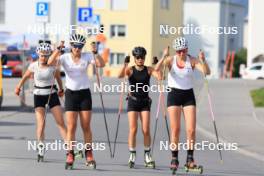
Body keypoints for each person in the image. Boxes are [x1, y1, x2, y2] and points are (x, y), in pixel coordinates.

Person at [47, 34, 105, 169]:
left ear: (82, 47)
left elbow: (101, 64)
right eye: (74, 46)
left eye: (79, 46)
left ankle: (89, 154)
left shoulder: (87, 56)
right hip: (71, 94)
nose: (77, 49)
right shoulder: (64, 57)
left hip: (84, 94)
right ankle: (70, 153)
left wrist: (96, 52)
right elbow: (50, 62)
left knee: (86, 126)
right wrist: (58, 49)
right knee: (72, 126)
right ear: (70, 46)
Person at [155, 37, 210, 171]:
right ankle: (174, 158)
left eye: (183, 51)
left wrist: (203, 60)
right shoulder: (170, 60)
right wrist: (163, 57)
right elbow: (157, 69)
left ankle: (190, 159)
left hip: (188, 95)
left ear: (187, 49)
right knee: (176, 129)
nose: (181, 54)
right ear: (176, 51)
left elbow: (207, 72)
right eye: (179, 51)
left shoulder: (192, 60)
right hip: (174, 95)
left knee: (191, 130)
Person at [15, 42, 66, 161]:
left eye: (46, 55)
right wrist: (18, 87)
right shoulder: (34, 65)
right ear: (38, 54)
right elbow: (25, 76)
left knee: (60, 122)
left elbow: (58, 78)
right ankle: (41, 147)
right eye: (42, 55)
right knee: (41, 124)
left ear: (49, 55)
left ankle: (70, 149)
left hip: (52, 94)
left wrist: (61, 89)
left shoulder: (54, 66)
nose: (44, 57)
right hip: (38, 95)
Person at [118, 46, 161, 169]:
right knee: (133, 129)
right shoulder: (130, 70)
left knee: (146, 129)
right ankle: (132, 155)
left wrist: (158, 64)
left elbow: (160, 77)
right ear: (134, 58)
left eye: (142, 57)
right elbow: (120, 76)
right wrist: (125, 65)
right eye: (138, 57)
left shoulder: (148, 70)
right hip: (133, 101)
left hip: (145, 102)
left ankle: (147, 156)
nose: (140, 59)